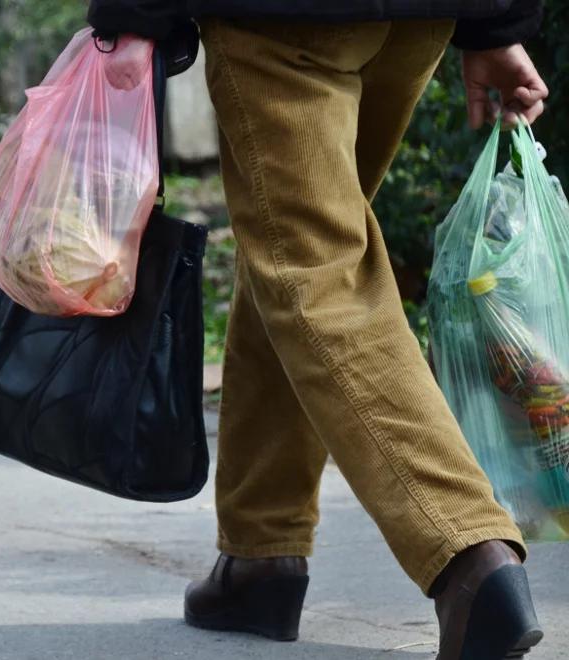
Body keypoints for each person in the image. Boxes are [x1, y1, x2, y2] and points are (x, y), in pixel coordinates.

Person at [88, 1, 550, 658]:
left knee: (317, 274)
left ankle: (471, 552)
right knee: (290, 244)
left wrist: (132, 13)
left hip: (283, 21)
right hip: (417, 20)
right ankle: (260, 554)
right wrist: (495, 23)